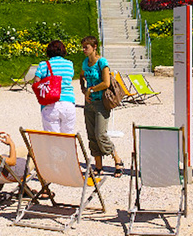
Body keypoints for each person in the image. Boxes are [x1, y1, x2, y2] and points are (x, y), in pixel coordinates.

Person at [78, 36, 127, 177]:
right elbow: (81, 75)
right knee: (91, 135)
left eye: (86, 47)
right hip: (89, 103)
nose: (84, 50)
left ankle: (117, 159)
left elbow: (106, 83)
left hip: (101, 103)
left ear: (94, 47)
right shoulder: (85, 63)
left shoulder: (102, 62)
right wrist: (83, 89)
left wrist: (90, 89)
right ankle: (98, 165)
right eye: (83, 47)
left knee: (101, 135)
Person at [23, 40, 80, 135]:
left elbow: (36, 82)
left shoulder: (43, 65)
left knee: (53, 138)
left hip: (50, 103)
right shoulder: (69, 64)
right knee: (68, 136)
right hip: (68, 102)